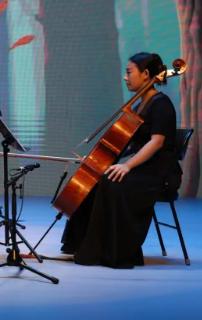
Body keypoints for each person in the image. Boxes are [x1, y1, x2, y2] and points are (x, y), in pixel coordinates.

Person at [60, 52, 179, 269]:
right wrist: (97, 160)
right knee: (96, 178)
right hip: (142, 167)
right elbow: (128, 144)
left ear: (145, 74)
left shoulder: (161, 104)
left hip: (158, 173)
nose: (125, 77)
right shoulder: (138, 105)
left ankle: (115, 252)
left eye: (129, 72)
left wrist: (127, 165)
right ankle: (83, 245)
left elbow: (156, 142)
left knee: (110, 181)